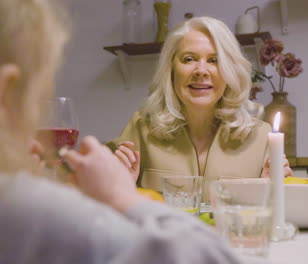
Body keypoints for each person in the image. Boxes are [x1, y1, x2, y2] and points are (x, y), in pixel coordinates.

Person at [0, 1, 259, 264]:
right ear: (2, 96)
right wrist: (121, 195)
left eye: (214, 60)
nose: (201, 70)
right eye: (36, 94)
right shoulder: (30, 215)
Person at [108, 16, 293, 200]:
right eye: (189, 59)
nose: (201, 71)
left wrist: (270, 190)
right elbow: (100, 205)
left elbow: (277, 217)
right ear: (171, 70)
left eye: (214, 60)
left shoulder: (261, 137)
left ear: (230, 71)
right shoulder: (140, 128)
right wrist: (121, 186)